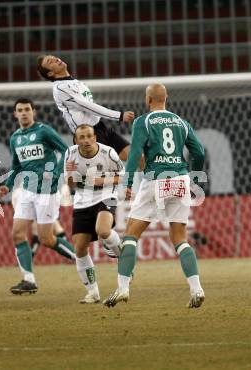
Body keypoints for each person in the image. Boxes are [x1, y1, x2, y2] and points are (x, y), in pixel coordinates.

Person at [103, 83, 206, 309]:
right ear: (166, 98)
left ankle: (122, 288)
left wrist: (128, 182)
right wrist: (195, 181)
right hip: (180, 180)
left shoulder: (144, 121)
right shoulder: (181, 121)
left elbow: (136, 152)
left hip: (155, 180)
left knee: (130, 234)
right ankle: (196, 288)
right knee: (180, 237)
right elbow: (199, 152)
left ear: (148, 99)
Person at [0, 97, 76, 294]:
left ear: (34, 111)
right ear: (15, 114)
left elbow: (66, 150)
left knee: (46, 239)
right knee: (17, 234)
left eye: (27, 109)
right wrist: (7, 186)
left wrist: (57, 171)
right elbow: (16, 166)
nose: (24, 113)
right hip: (26, 190)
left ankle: (81, 258)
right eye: (20, 110)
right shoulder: (15, 137)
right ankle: (28, 280)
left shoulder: (44, 130)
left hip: (47, 192)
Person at [36, 54, 135, 162]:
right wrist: (119, 116)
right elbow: (88, 107)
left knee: (137, 158)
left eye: (53, 57)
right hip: (85, 136)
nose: (55, 59)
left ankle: (152, 179)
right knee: (100, 175)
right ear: (50, 73)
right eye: (50, 62)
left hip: (101, 128)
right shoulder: (60, 88)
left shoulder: (76, 82)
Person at [64, 125, 123, 303]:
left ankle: (124, 259)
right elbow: (72, 186)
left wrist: (102, 180)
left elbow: (123, 176)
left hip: (106, 195)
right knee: (80, 248)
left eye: (89, 136)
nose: (86, 140)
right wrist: (69, 174)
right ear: (76, 140)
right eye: (82, 137)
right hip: (83, 201)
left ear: (95, 137)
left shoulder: (109, 153)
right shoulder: (70, 154)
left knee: (103, 230)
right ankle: (93, 292)